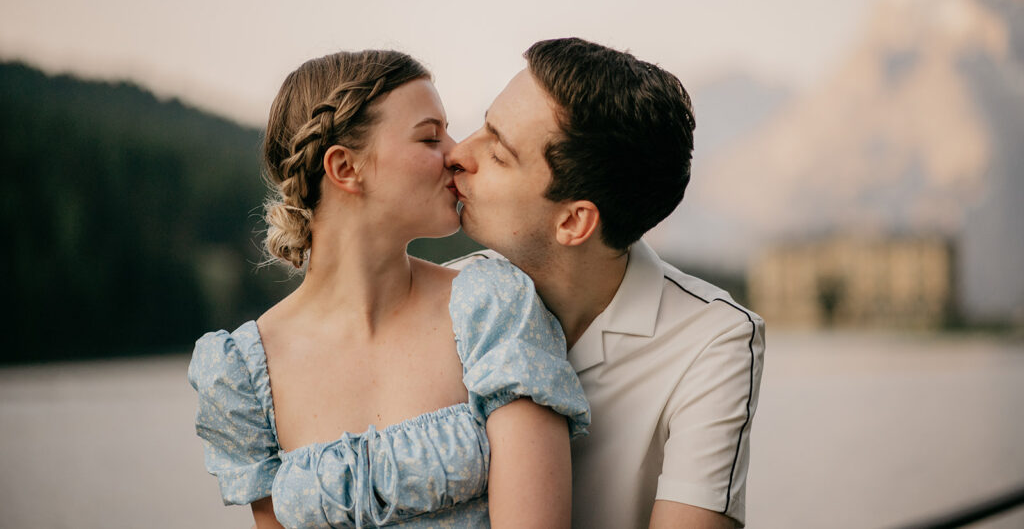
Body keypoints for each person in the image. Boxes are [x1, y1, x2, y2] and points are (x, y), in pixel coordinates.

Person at [187, 50, 589, 529]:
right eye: (429, 137)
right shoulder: (243, 375)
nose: (457, 154)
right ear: (345, 168)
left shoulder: (492, 307)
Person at [446, 37, 766, 529]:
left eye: (499, 154)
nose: (457, 152)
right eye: (482, 126)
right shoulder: (444, 295)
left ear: (574, 223)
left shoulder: (714, 340)